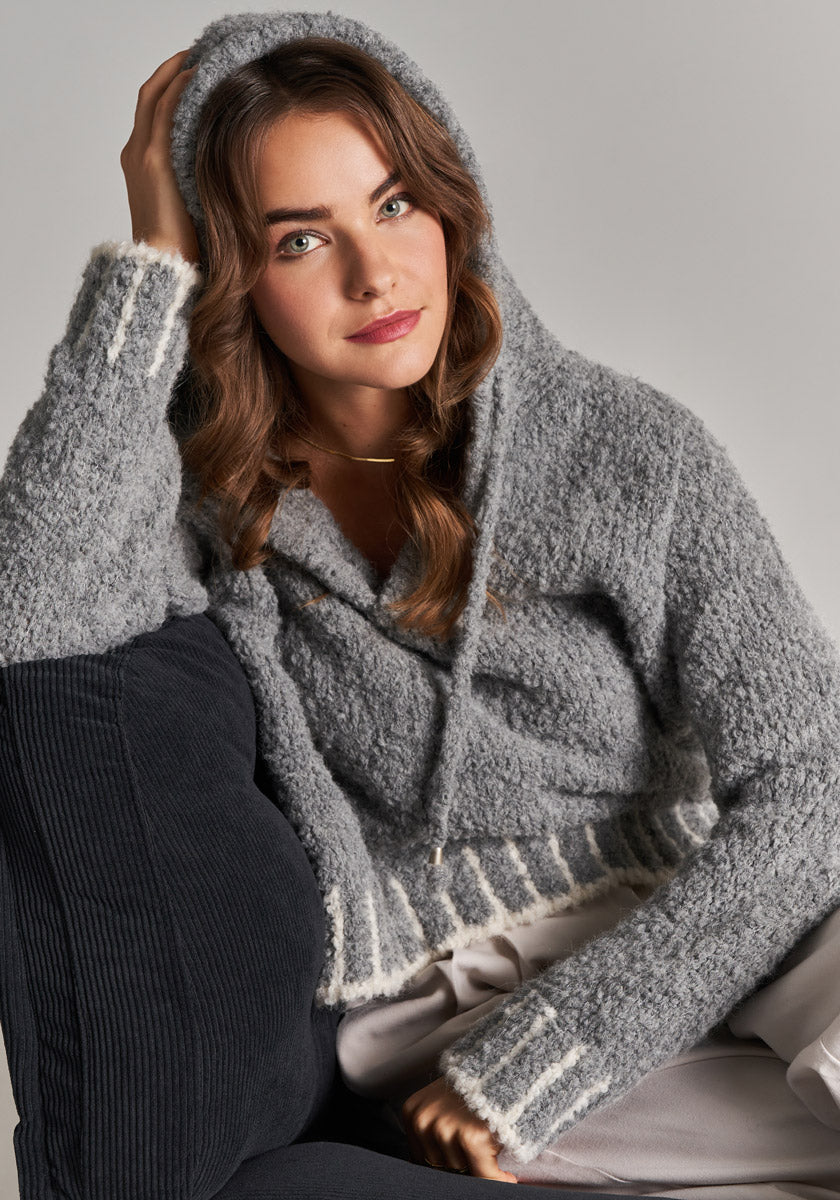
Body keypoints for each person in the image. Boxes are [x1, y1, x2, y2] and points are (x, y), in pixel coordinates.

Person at [2, 9, 840, 1199]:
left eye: (395, 204)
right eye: (301, 239)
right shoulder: (205, 500)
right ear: (236, 275)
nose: (375, 272)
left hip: (696, 932)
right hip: (447, 996)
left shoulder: (626, 450)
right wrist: (150, 258)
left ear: (452, 205)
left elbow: (816, 776)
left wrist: (576, 1044)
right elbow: (30, 623)